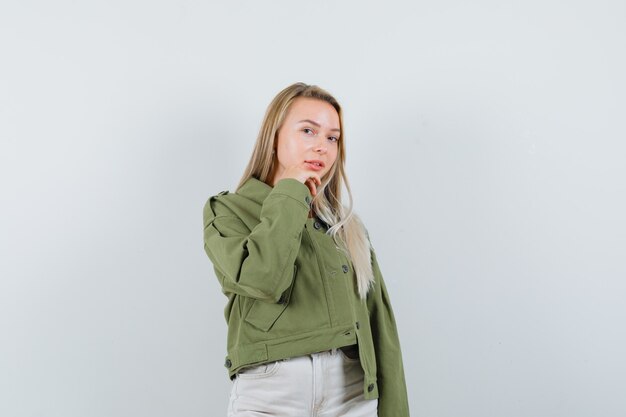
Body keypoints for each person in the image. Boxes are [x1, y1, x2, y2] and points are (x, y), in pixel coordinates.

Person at [202, 82, 410, 417]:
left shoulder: (347, 227)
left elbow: (379, 327)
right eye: (308, 131)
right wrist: (290, 191)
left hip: (352, 392)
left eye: (332, 137)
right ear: (274, 135)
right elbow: (263, 279)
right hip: (270, 391)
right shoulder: (228, 210)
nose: (322, 147)